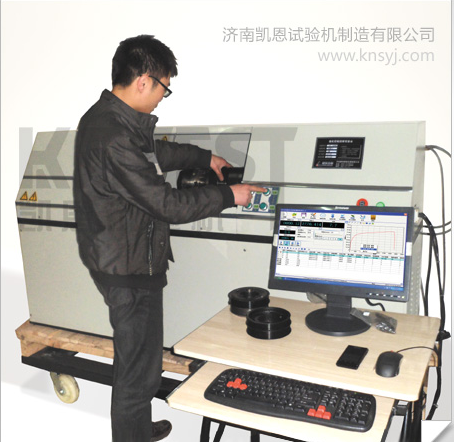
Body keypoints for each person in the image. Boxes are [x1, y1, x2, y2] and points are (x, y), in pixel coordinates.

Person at [73, 34, 264, 442]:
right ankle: (132, 434)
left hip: (124, 256)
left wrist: (203, 158)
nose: (164, 96)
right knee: (136, 370)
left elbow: (155, 155)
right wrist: (229, 195)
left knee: (142, 360)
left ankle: (138, 427)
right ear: (144, 80)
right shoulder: (114, 136)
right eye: (164, 86)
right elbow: (168, 205)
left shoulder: (112, 120)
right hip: (127, 268)